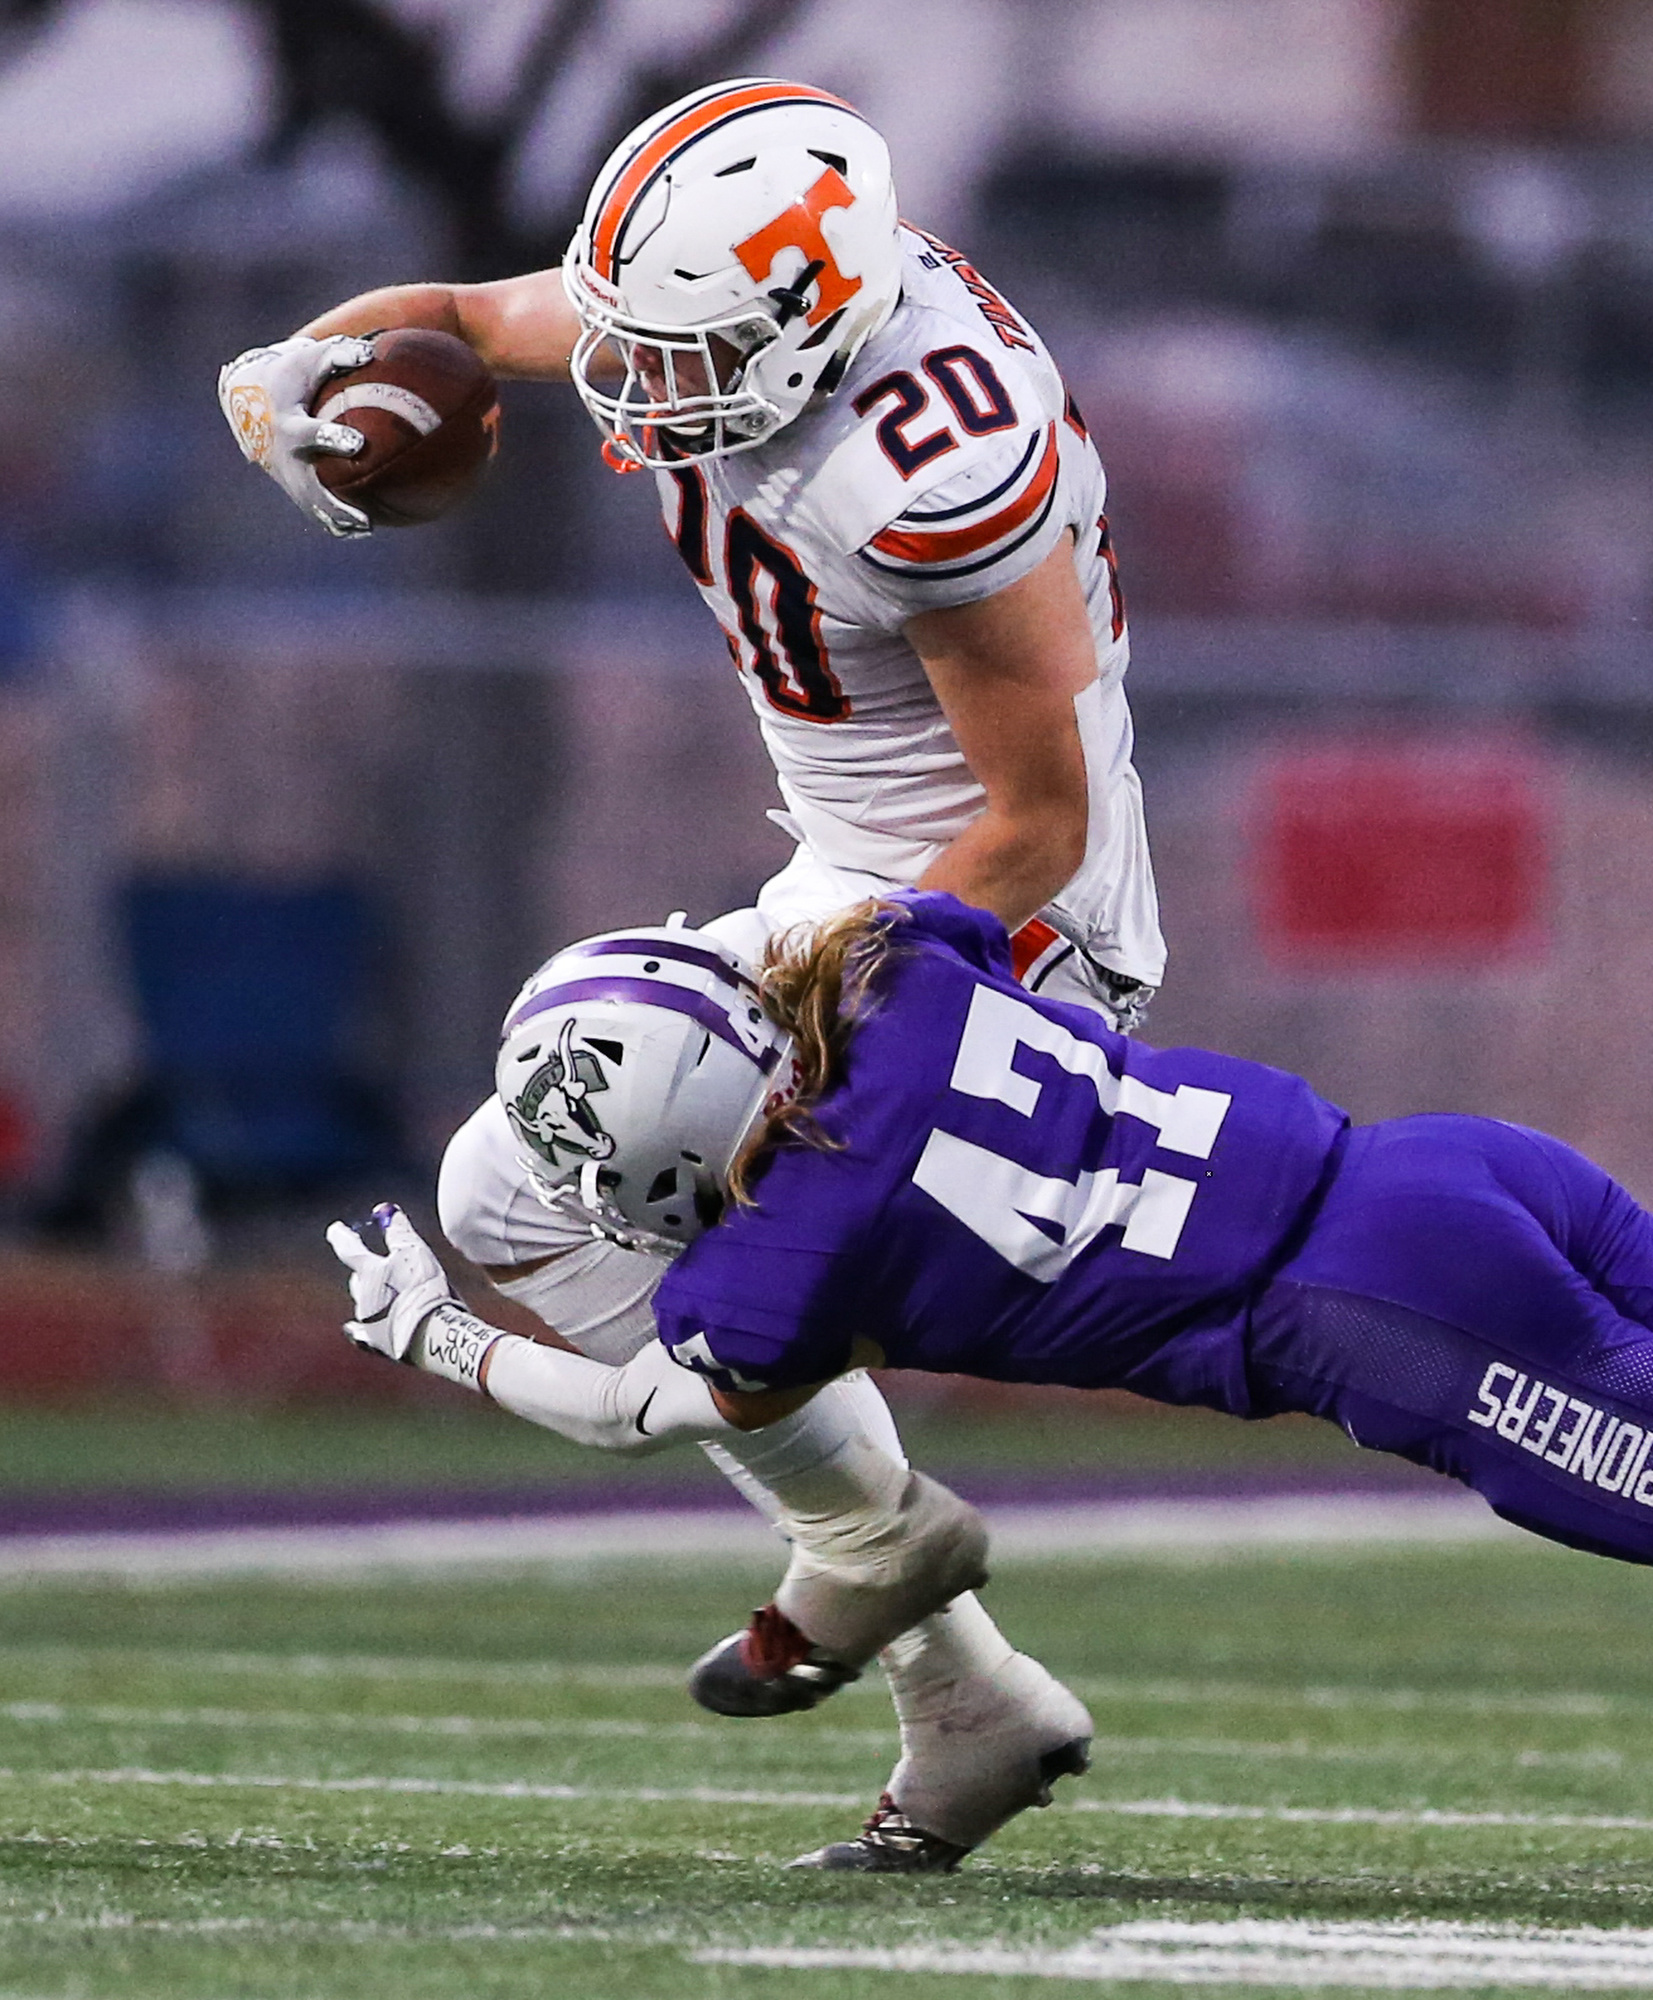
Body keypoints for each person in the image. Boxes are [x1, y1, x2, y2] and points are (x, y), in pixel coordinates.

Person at [331, 896, 1653, 1873]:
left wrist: (448, 1335)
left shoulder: (786, 1244)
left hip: (1374, 1312)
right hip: (1437, 1162)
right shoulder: (889, 969)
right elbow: (980, 949)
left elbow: (653, 1408)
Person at [218, 78, 1161, 1870]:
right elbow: (478, 326)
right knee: (511, 1188)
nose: (638, 396)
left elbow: (1037, 817)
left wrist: (838, 1005)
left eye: (683, 354)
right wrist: (295, 383)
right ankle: (959, 1682)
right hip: (847, 868)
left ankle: (911, 1602)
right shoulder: (750, 297)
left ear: (812, 324)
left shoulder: (930, 459)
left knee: (640, 1188)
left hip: (1006, 923)